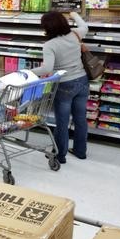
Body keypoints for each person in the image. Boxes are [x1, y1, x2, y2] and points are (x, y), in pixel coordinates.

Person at [31, 11, 89, 163]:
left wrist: (26, 71)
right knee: (80, 119)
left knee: (62, 122)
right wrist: (75, 15)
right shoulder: (76, 33)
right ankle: (80, 151)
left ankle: (60, 155)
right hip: (82, 81)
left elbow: (47, 69)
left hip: (64, 85)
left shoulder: (50, 45)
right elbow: (85, 26)